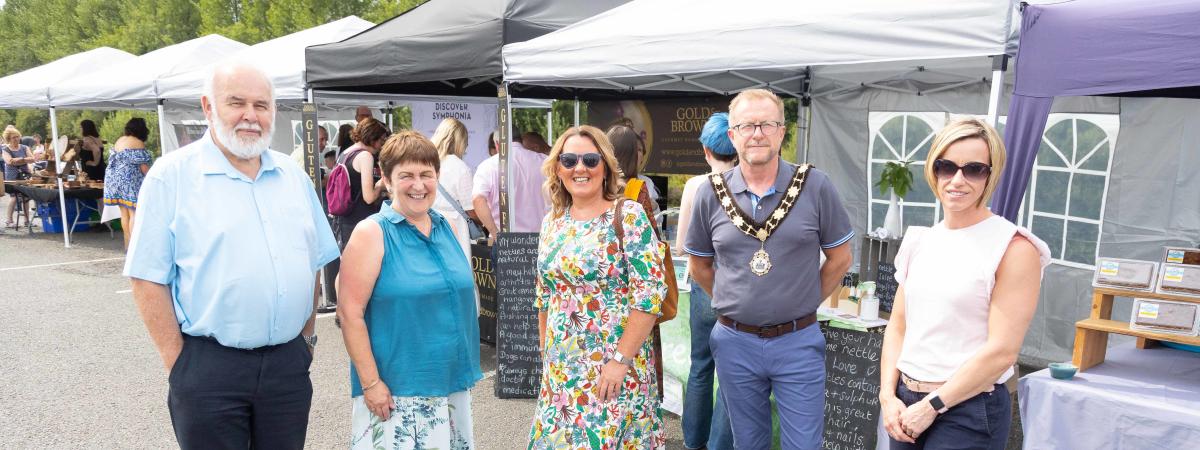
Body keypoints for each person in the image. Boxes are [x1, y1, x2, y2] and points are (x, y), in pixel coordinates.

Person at [124, 62, 338, 450]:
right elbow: (146, 277)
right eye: (236, 103)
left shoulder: (293, 177)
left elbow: (314, 262)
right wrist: (180, 365)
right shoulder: (170, 176)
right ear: (208, 107)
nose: (250, 116)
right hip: (208, 370)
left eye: (261, 105)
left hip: (286, 369)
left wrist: (306, 342)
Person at [686, 89, 854, 449]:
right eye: (747, 125)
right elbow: (699, 265)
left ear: (782, 132)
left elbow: (841, 259)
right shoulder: (710, 193)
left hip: (797, 341)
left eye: (767, 124)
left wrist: (805, 298)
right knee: (748, 444)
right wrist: (733, 299)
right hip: (735, 342)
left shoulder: (814, 185)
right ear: (732, 135)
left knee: (804, 446)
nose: (757, 133)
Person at [880, 118, 1050, 449]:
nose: (958, 180)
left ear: (991, 175)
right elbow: (898, 326)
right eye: (947, 167)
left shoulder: (1013, 248)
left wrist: (933, 406)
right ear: (934, 170)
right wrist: (888, 395)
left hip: (968, 409)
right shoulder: (920, 240)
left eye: (973, 169)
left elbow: (1002, 351)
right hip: (905, 400)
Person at [338, 131, 482, 449]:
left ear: (437, 177)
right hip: (396, 391)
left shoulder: (447, 226)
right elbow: (350, 314)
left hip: (450, 385)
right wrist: (371, 383)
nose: (418, 185)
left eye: (426, 174)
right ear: (387, 180)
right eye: (406, 176)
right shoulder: (372, 233)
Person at [528, 125, 667, 448]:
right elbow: (544, 296)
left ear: (605, 166)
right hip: (562, 376)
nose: (580, 168)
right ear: (557, 167)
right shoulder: (553, 221)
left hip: (612, 372)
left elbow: (649, 297)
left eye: (591, 160)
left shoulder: (628, 216)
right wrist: (547, 358)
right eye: (570, 160)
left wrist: (620, 361)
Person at [675, 112, 738, 450]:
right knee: (731, 374)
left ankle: (692, 440)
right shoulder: (750, 183)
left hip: (702, 282)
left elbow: (683, 245)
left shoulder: (695, 186)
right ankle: (718, 444)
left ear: (705, 150)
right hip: (738, 288)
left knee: (700, 365)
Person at [325, 117, 390, 307]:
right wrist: (380, 185)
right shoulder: (365, 156)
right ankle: (355, 308)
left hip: (344, 217)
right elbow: (369, 196)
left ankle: (341, 309)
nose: (381, 144)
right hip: (360, 217)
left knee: (345, 267)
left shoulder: (346, 153)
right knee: (361, 267)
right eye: (381, 139)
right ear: (373, 138)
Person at [471, 129, 547, 239]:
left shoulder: (487, 165)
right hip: (541, 238)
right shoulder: (544, 161)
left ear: (497, 144)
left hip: (506, 241)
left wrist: (495, 233)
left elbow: (478, 199)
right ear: (520, 140)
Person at [102, 118, 153, 248]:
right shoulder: (138, 142)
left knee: (124, 213)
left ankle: (127, 244)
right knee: (134, 212)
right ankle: (135, 246)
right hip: (129, 180)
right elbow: (144, 168)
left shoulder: (120, 140)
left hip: (114, 179)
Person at [430, 117, 477, 258]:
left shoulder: (426, 160)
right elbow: (470, 208)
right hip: (454, 225)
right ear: (460, 142)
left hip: (427, 220)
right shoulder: (460, 167)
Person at [3, 125, 33, 228]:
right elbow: (8, 161)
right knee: (14, 197)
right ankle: (9, 221)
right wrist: (25, 159)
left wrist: (17, 160)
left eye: (17, 136)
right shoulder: (6, 149)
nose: (16, 139)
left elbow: (32, 159)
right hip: (12, 177)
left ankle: (27, 221)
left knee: (26, 197)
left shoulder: (25, 147)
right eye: (13, 137)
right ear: (8, 139)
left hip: (24, 176)